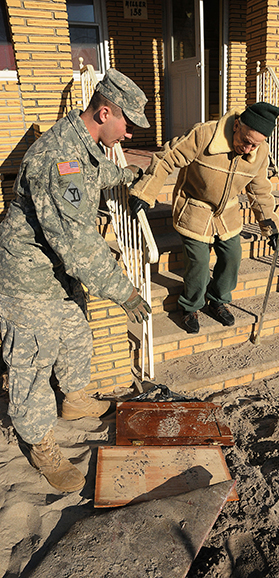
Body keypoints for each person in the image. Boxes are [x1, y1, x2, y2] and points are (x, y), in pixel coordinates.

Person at [0, 68, 151, 493]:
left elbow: (96, 175)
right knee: (31, 362)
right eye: (127, 124)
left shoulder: (80, 145)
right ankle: (40, 443)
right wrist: (125, 292)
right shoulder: (56, 159)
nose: (129, 136)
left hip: (56, 271)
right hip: (27, 278)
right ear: (105, 112)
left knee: (75, 334)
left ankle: (74, 401)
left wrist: (130, 176)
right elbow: (78, 244)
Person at [129, 102, 279, 333]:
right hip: (195, 207)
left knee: (232, 256)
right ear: (237, 125)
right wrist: (145, 191)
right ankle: (190, 306)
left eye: (255, 145)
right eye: (246, 141)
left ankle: (218, 301)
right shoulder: (204, 134)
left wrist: (270, 225)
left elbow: (259, 188)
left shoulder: (259, 152)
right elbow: (167, 157)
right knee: (199, 262)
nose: (249, 148)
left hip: (227, 213)